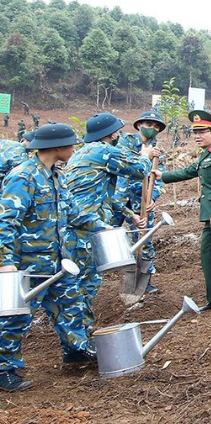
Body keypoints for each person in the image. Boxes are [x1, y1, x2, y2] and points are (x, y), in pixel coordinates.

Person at [0, 124, 112, 391]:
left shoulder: (55, 176)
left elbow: (73, 212)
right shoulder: (23, 178)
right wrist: (5, 261)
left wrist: (103, 227)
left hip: (57, 261)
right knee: (16, 317)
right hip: (27, 265)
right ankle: (4, 368)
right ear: (57, 147)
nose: (75, 149)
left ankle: (76, 350)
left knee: (71, 303)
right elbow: (6, 222)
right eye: (71, 145)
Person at [62, 113, 154, 330]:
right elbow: (139, 170)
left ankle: (78, 331)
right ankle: (79, 336)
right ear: (113, 134)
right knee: (86, 283)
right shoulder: (102, 151)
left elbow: (101, 194)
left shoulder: (81, 153)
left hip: (75, 225)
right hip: (87, 228)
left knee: (78, 281)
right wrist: (145, 154)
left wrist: (129, 213)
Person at [159, 110, 211, 313]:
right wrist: (162, 176)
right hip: (209, 216)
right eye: (195, 132)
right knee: (208, 256)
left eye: (203, 131)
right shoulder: (206, 154)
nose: (197, 135)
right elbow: (189, 172)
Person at [113, 111, 167, 295]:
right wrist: (145, 155)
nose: (152, 129)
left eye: (156, 127)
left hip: (141, 201)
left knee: (144, 239)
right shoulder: (125, 141)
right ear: (139, 125)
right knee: (105, 233)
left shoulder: (159, 152)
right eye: (149, 125)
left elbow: (158, 178)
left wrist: (153, 197)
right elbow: (123, 164)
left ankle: (144, 280)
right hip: (117, 199)